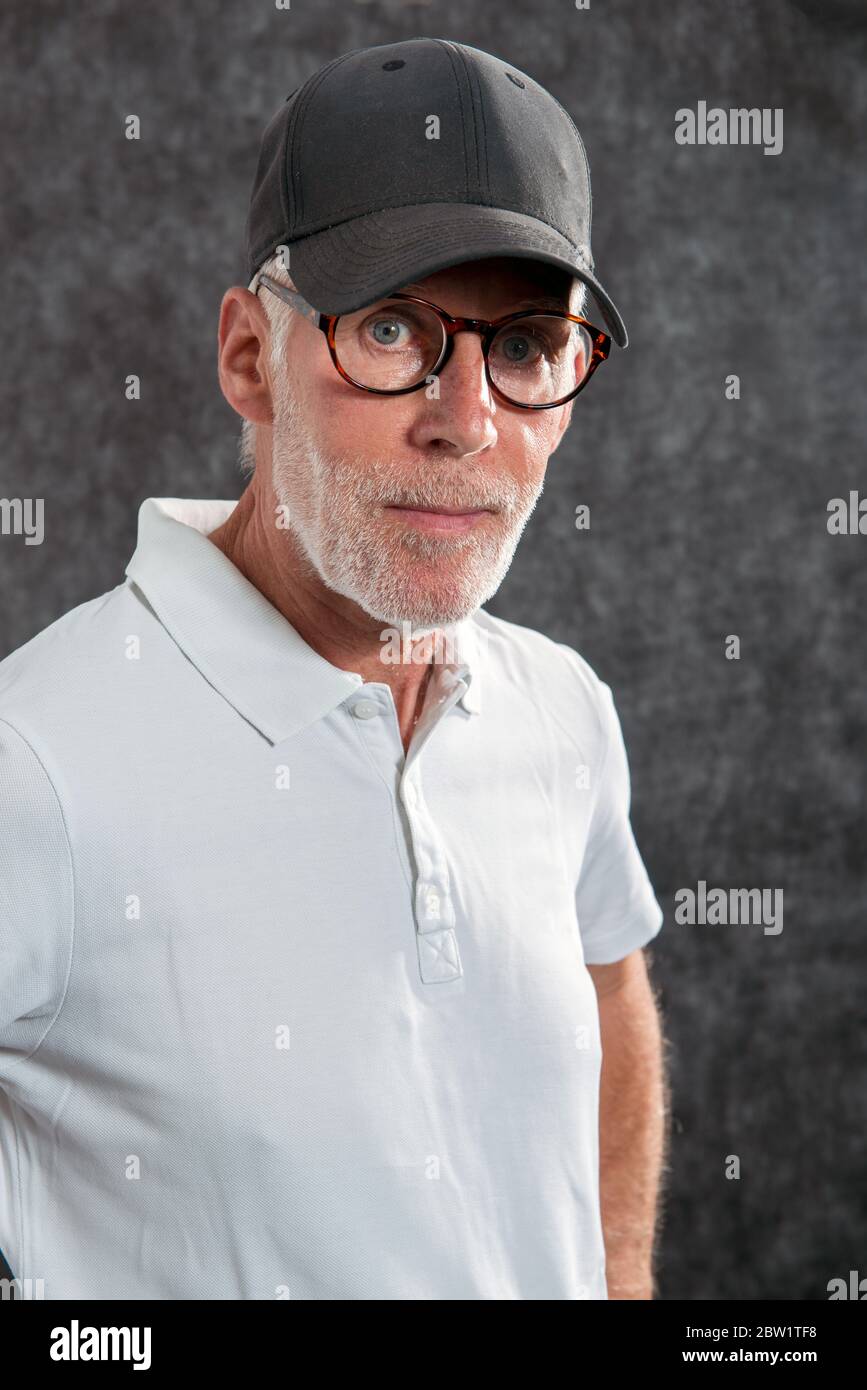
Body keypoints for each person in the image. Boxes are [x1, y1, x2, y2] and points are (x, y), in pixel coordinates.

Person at [0, 37, 666, 1300]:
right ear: (251, 356)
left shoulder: (561, 712)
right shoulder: (37, 766)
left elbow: (607, 987)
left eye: (525, 346)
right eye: (395, 326)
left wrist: (621, 1278)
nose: (464, 420)